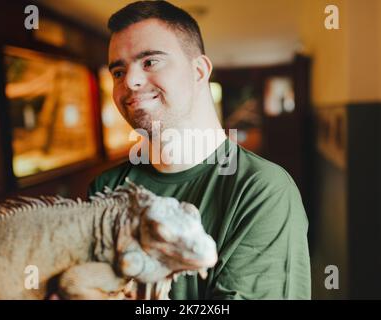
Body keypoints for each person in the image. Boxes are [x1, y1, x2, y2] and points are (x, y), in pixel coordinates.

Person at [88, 0, 311, 299]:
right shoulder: (106, 189)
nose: (130, 80)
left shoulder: (261, 190)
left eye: (150, 61)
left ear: (199, 71)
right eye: (118, 72)